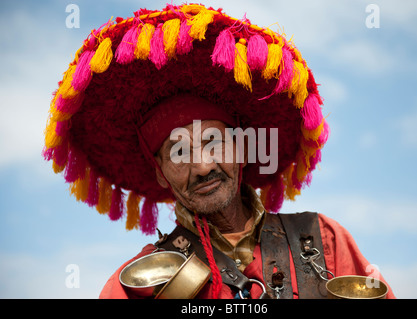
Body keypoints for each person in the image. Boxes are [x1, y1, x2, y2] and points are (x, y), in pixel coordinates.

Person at [43, 4, 395, 299]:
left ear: (242, 146)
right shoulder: (137, 287)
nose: (202, 166)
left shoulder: (323, 241)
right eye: (178, 152)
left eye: (214, 142)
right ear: (160, 173)